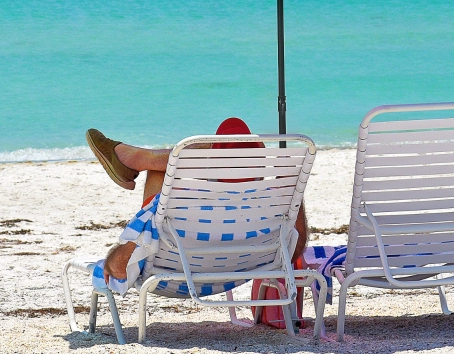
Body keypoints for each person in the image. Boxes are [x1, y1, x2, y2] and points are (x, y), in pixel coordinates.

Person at [86, 118, 308, 285]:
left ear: (209, 170)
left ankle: (141, 159)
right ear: (259, 166)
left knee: (158, 173)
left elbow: (120, 269)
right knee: (234, 138)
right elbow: (293, 252)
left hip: (173, 276)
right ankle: (136, 158)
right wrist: (292, 196)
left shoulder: (176, 210)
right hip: (245, 270)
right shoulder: (273, 208)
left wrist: (110, 261)